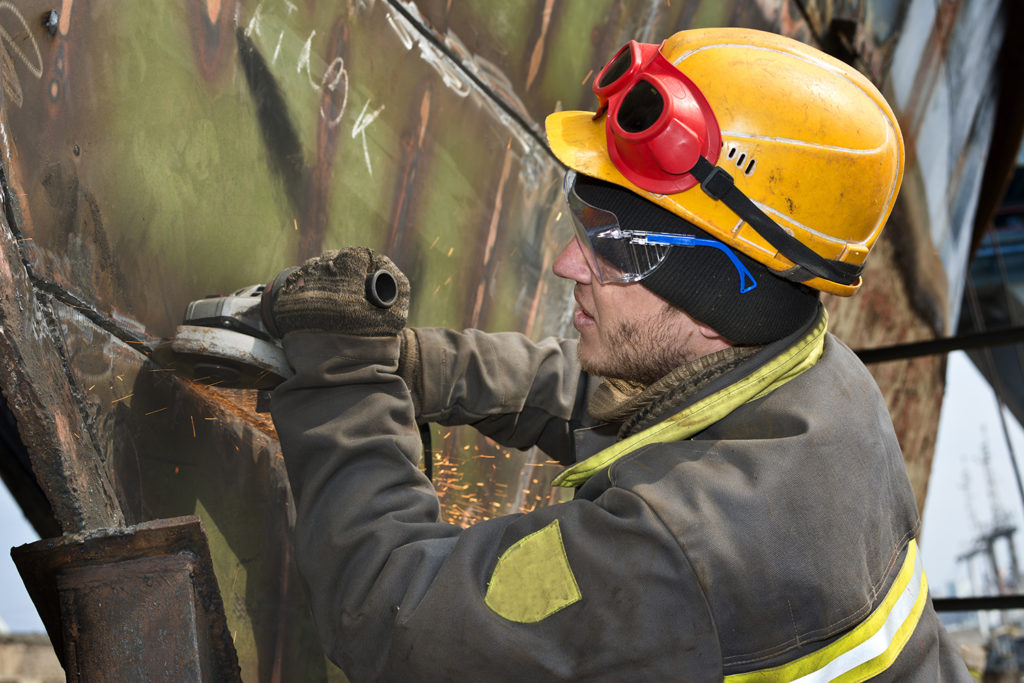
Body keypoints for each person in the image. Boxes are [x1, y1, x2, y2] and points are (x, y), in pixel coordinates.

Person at [265, 27, 971, 681]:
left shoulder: (675, 553)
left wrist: (346, 379)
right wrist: (424, 365)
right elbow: (620, 399)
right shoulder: (818, 379)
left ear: (712, 299)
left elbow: (396, 617)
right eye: (583, 221)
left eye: (608, 243)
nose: (570, 262)